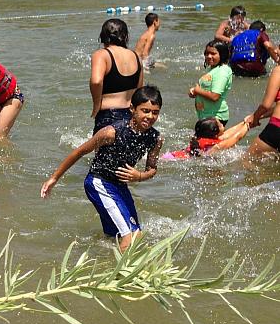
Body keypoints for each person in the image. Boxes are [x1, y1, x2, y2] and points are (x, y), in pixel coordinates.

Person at [41, 86, 164, 253]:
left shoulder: (155, 138)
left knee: (116, 237)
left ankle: (102, 262)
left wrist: (140, 176)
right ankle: (121, 276)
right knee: (133, 235)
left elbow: (152, 169)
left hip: (120, 187)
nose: (150, 116)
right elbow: (79, 152)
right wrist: (54, 178)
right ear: (132, 109)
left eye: (155, 112)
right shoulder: (111, 132)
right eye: (145, 111)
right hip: (99, 182)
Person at [90, 18, 143, 133]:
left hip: (109, 116)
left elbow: (96, 81)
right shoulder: (136, 56)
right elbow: (139, 90)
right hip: (131, 115)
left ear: (103, 36)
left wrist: (96, 106)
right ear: (125, 36)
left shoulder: (101, 54)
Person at [162, 117, 250, 161]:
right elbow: (237, 137)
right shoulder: (217, 146)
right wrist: (248, 126)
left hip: (172, 155)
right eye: (221, 125)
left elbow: (229, 133)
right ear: (215, 133)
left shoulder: (201, 138)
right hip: (175, 160)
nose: (223, 125)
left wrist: (245, 122)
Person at [243, 65, 280, 162]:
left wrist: (255, 117)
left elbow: (266, 105)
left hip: (277, 127)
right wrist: (259, 116)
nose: (275, 51)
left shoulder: (278, 70)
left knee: (246, 161)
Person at [190, 39, 232, 124]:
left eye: (213, 53)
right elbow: (205, 88)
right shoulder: (213, 69)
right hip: (206, 116)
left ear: (222, 55)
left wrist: (197, 90)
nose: (209, 56)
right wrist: (193, 91)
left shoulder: (222, 71)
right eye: (207, 53)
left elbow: (214, 96)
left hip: (216, 117)